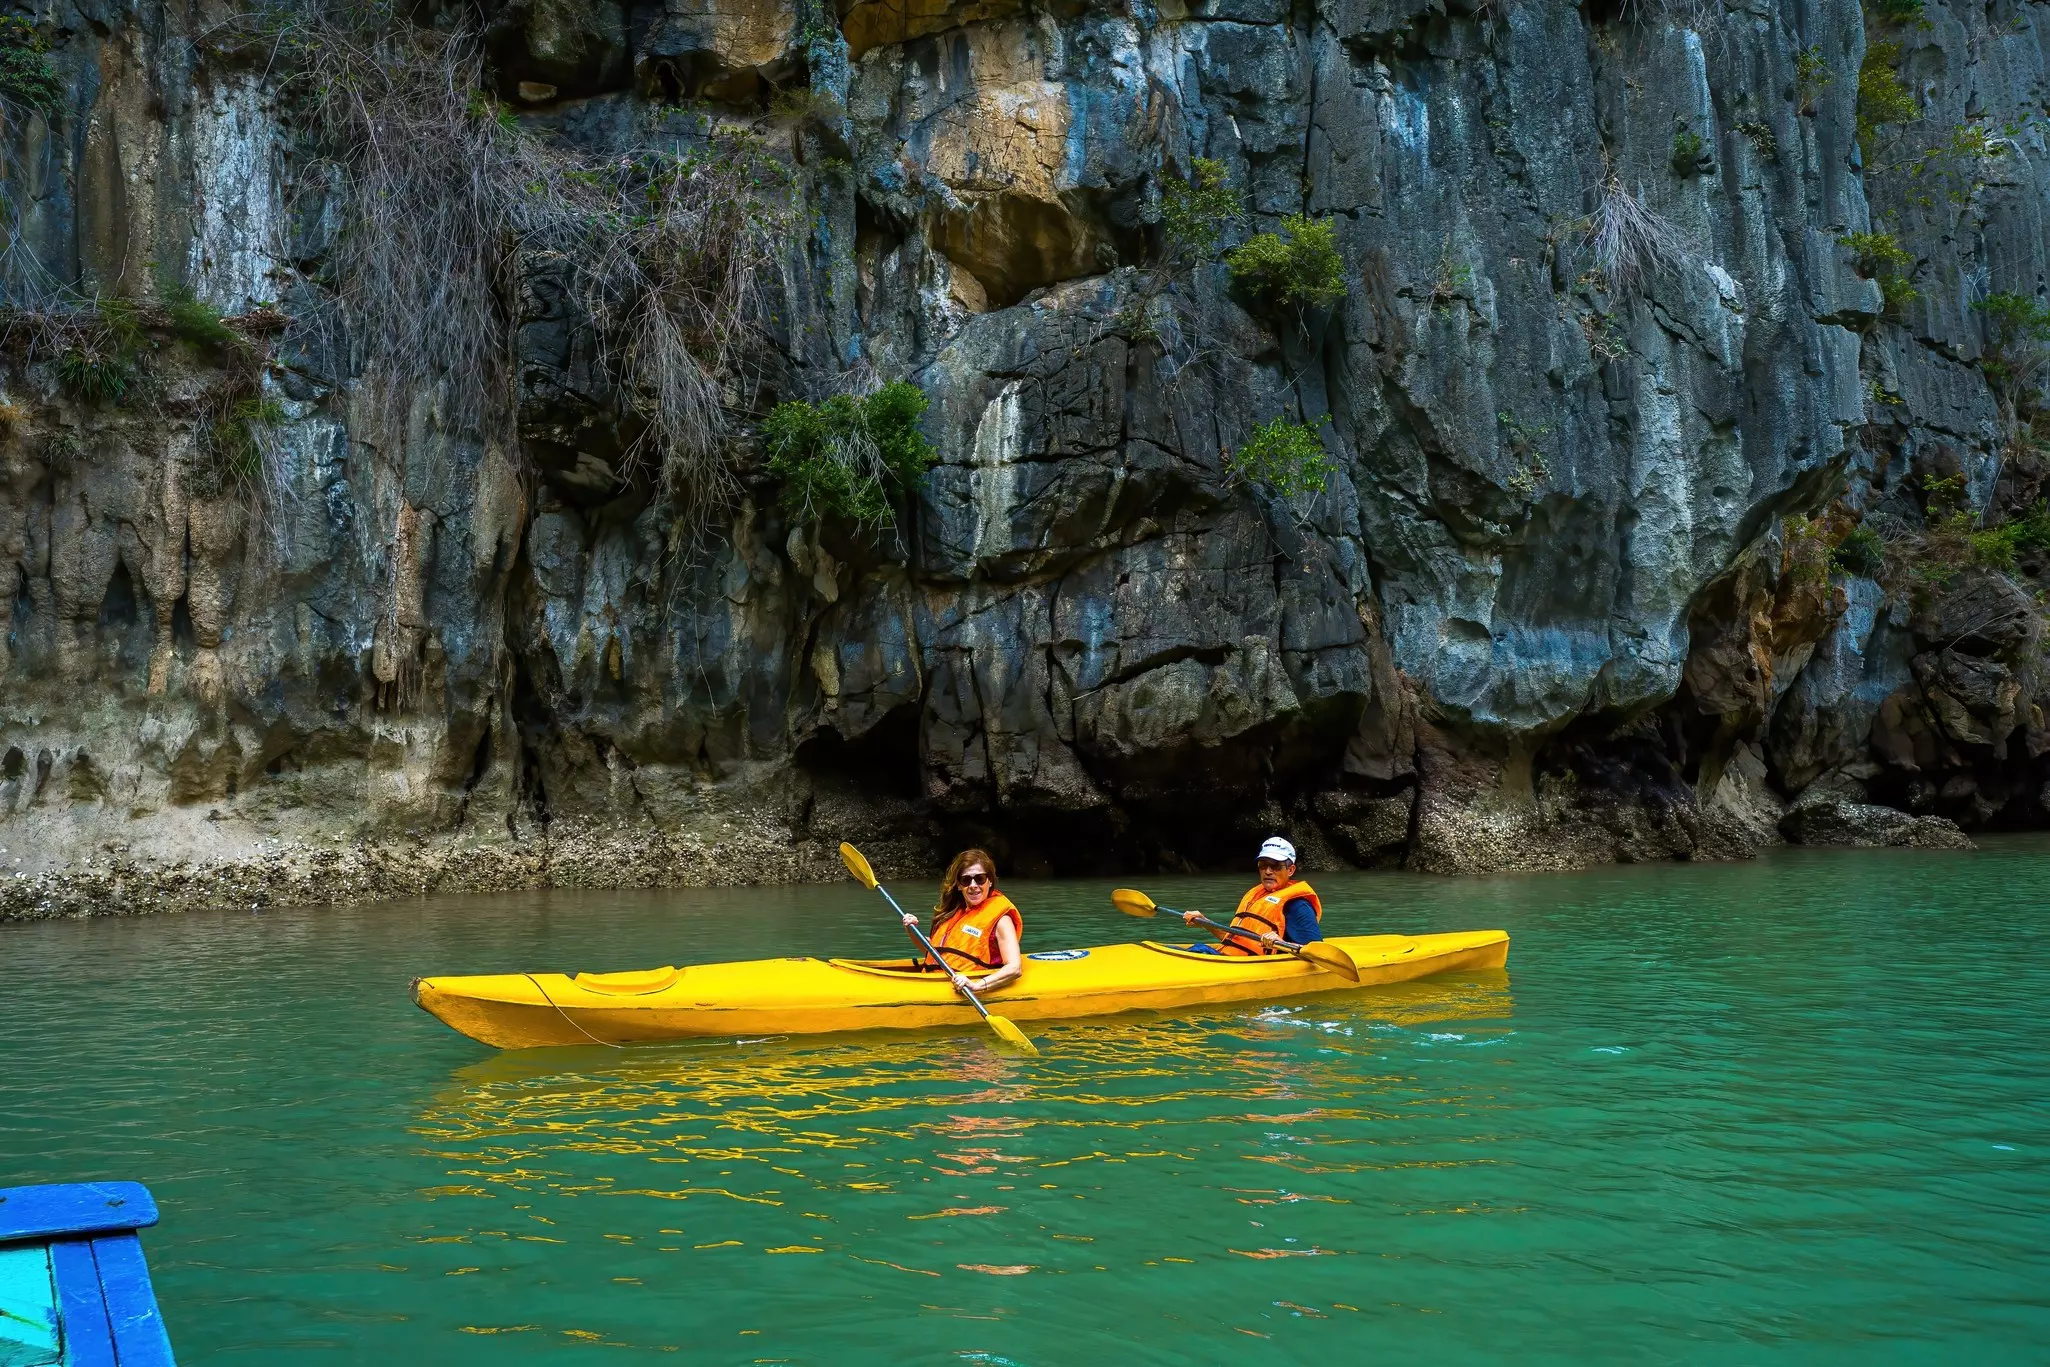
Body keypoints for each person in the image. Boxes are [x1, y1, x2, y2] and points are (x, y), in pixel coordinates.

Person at [905, 848, 1025, 994]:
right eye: (966, 880)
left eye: (979, 879)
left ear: (990, 881)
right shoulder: (952, 913)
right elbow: (934, 953)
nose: (973, 885)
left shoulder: (1002, 919)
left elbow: (1014, 968)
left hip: (967, 985)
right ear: (959, 886)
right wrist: (912, 931)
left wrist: (977, 986)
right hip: (933, 981)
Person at [1185, 836, 1322, 955]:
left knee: (1199, 949)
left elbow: (1317, 953)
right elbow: (1237, 941)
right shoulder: (1257, 895)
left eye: (1275, 866)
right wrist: (1206, 923)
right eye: (1263, 865)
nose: (1268, 871)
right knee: (1195, 948)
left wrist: (1280, 943)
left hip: (1252, 966)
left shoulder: (1298, 905)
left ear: (1290, 870)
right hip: (1230, 957)